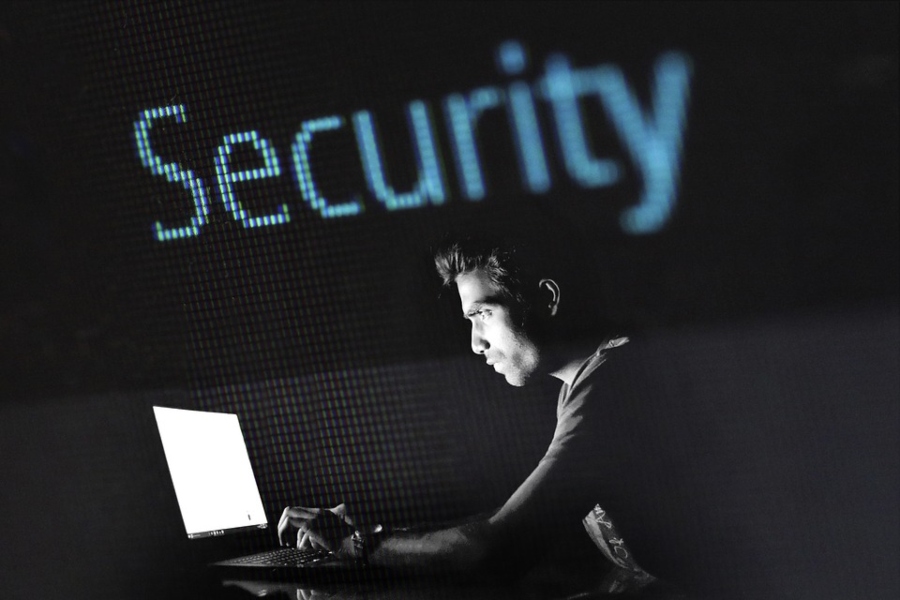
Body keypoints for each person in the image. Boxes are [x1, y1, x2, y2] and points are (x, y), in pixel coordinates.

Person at [277, 221, 754, 595]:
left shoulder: (613, 385)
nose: (475, 342)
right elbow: (516, 521)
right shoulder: (592, 378)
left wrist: (357, 546)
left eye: (483, 314)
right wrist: (379, 534)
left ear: (545, 298)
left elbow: (499, 547)